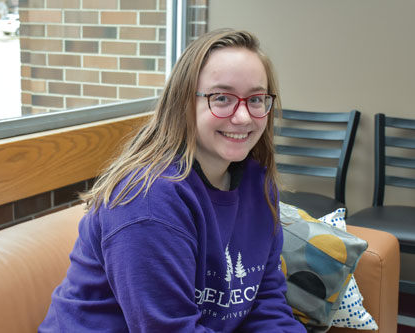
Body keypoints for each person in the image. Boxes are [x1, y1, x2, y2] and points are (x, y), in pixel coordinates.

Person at [39, 28, 306, 332]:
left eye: (256, 99)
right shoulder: (149, 200)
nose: (244, 117)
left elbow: (266, 304)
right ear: (184, 103)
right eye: (221, 98)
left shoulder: (257, 183)